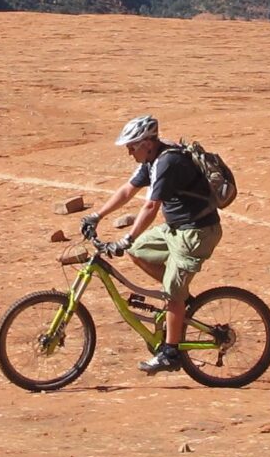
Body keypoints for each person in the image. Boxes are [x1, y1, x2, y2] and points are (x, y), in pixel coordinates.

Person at [86, 113, 220, 374]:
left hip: (196, 233)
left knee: (169, 288)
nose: (128, 152)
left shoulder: (167, 161)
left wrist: (127, 237)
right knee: (137, 251)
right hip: (175, 230)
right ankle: (181, 303)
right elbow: (127, 190)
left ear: (147, 142)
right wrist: (97, 215)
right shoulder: (152, 159)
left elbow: (150, 206)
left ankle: (171, 353)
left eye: (132, 146)